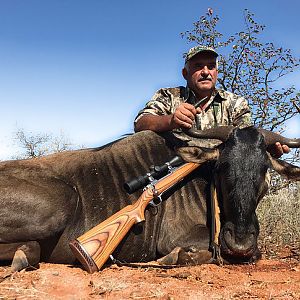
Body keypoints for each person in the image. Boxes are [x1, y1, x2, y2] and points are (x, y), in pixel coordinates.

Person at [134, 45, 289, 157]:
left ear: (216, 73)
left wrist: (270, 149)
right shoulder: (169, 95)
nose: (206, 72)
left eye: (211, 66)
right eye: (198, 66)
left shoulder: (235, 103)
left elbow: (247, 140)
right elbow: (140, 123)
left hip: (222, 171)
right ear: (185, 73)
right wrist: (171, 121)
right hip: (176, 166)